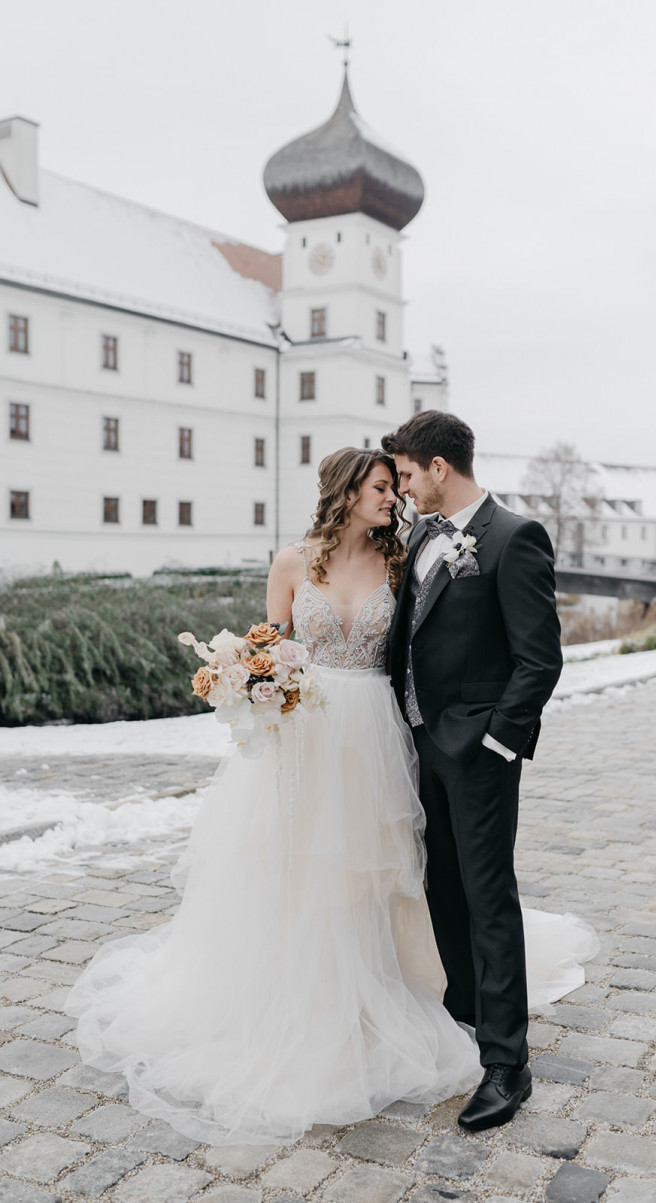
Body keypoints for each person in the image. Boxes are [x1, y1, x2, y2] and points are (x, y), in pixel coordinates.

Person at [65, 445, 595, 1147]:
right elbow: (271, 646)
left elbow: (430, 638)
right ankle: (308, 1001)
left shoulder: (403, 558)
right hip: (306, 739)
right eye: (382, 487)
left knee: (383, 874)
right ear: (346, 491)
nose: (394, 499)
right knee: (299, 874)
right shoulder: (291, 563)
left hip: (378, 739)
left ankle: (400, 997)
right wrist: (249, 684)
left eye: (398, 486)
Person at [383, 411, 565, 1132]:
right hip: (419, 747)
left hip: (477, 754)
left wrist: (496, 744)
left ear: (437, 467)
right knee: (441, 886)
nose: (400, 487)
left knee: (489, 895)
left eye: (404, 473)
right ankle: (463, 1015)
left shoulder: (514, 538)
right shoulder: (422, 533)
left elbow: (540, 658)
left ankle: (506, 1065)